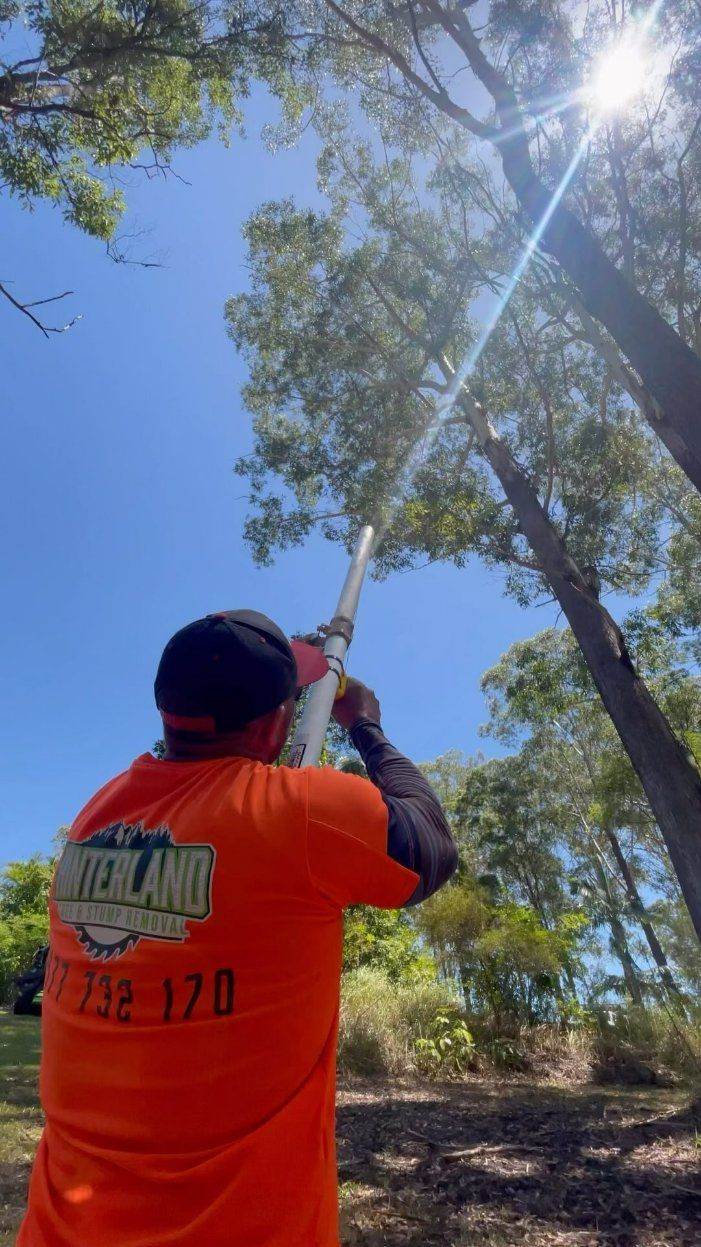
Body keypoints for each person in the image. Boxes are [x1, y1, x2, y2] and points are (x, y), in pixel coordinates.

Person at [18, 609, 457, 1247]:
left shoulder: (95, 817)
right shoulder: (299, 812)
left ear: (167, 706)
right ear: (276, 721)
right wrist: (365, 724)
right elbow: (429, 849)